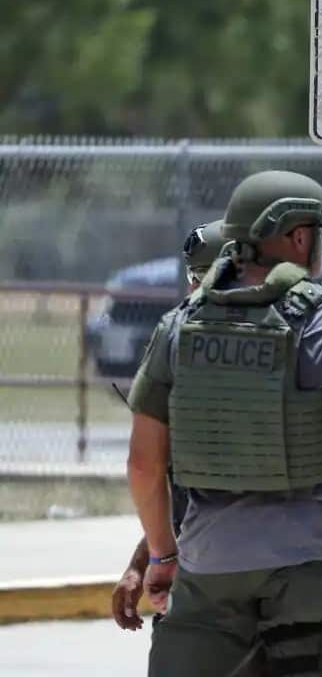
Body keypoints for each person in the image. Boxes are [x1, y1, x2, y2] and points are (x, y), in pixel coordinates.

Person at [127, 171, 322, 677]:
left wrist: (162, 556)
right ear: (299, 236)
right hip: (312, 568)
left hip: (210, 561)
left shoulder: (178, 328)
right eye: (317, 232)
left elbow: (144, 466)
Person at [111, 219, 229, 631]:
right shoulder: (181, 350)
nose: (194, 290)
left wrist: (158, 559)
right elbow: (184, 492)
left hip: (233, 572)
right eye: (192, 277)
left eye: (204, 277)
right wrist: (142, 562)